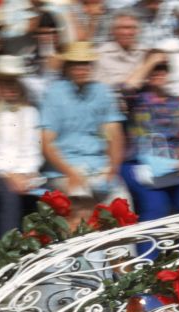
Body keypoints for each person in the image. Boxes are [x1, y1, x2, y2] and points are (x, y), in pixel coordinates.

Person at [120, 49, 179, 231]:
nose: (158, 73)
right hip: (138, 163)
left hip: (170, 165)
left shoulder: (176, 102)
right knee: (156, 205)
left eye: (163, 68)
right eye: (154, 69)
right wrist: (151, 61)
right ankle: (150, 258)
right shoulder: (136, 98)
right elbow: (127, 87)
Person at [39, 41, 129, 202]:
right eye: (76, 65)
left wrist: (112, 169)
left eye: (85, 64)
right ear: (67, 67)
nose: (81, 69)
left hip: (98, 165)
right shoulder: (54, 93)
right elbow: (47, 142)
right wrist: (71, 173)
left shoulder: (103, 91)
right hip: (65, 168)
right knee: (82, 203)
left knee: (122, 203)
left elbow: (114, 135)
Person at [0, 54, 45, 239]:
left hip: (24, 172)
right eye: (5, 83)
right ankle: (9, 249)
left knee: (49, 196)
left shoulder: (30, 112)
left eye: (14, 83)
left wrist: (27, 172)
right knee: (9, 194)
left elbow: (34, 149)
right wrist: (10, 175)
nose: (10, 88)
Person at [95, 10, 146, 88]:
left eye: (131, 28)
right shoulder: (100, 54)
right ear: (112, 31)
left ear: (138, 31)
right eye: (121, 28)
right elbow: (100, 88)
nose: (126, 32)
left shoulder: (146, 53)